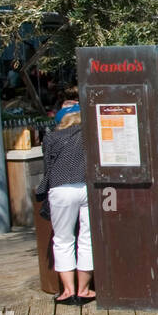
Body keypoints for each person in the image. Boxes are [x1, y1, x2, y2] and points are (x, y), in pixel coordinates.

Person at [43, 110, 94, 303]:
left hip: (61, 188)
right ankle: (84, 289)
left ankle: (68, 291)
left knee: (63, 239)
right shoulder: (90, 135)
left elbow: (47, 166)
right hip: (87, 186)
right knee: (88, 238)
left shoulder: (52, 138)